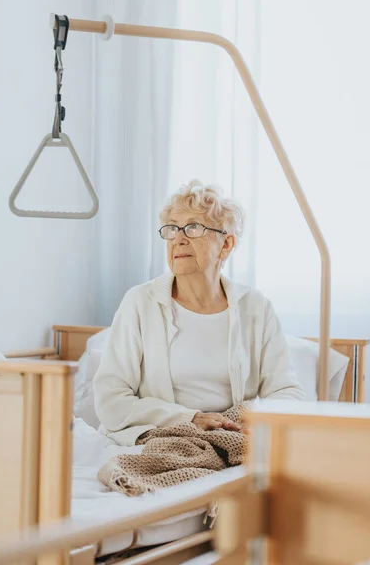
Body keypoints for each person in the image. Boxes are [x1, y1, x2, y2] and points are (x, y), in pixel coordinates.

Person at [94, 180, 304, 446]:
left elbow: (286, 391)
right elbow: (110, 400)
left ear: (226, 244)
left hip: (233, 438)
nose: (179, 239)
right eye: (172, 229)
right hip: (159, 440)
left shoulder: (254, 307)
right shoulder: (140, 302)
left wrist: (251, 422)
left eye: (193, 227)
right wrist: (190, 418)